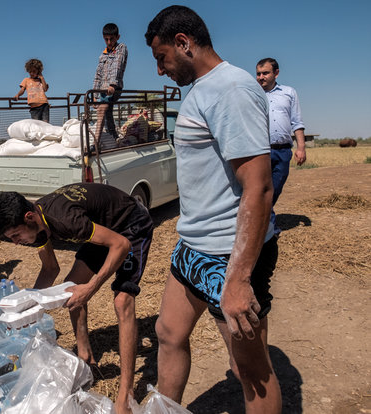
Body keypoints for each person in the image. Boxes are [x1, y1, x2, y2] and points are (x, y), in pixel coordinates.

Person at [145, 6, 281, 413]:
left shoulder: (231, 90)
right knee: (168, 332)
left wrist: (238, 279)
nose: (160, 70)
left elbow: (258, 187)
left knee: (249, 368)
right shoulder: (202, 90)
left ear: (184, 44)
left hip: (228, 252)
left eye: (161, 58)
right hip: (195, 243)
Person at [0, 183, 153, 414]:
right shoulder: (38, 223)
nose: (16, 242)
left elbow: (121, 245)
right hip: (104, 228)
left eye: (16, 235)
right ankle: (85, 357)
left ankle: (125, 395)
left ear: (28, 217)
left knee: (122, 300)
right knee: (71, 288)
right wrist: (27, 305)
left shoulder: (64, 219)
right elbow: (50, 269)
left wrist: (92, 287)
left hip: (129, 224)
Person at [256, 57, 306, 237]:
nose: (261, 77)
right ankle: (268, 229)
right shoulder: (253, 94)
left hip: (284, 150)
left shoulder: (289, 92)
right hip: (260, 150)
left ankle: (263, 223)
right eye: (258, 73)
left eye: (265, 73)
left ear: (276, 73)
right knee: (261, 189)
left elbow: (297, 122)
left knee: (276, 188)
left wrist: (301, 147)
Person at [92, 23, 128, 149]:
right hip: (102, 89)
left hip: (114, 88)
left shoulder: (121, 48)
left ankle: (95, 142)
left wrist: (113, 84)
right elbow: (98, 74)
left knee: (102, 109)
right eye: (106, 39)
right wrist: (95, 94)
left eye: (111, 39)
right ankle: (114, 137)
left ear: (117, 37)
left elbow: (117, 65)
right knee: (107, 114)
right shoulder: (102, 55)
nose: (109, 42)